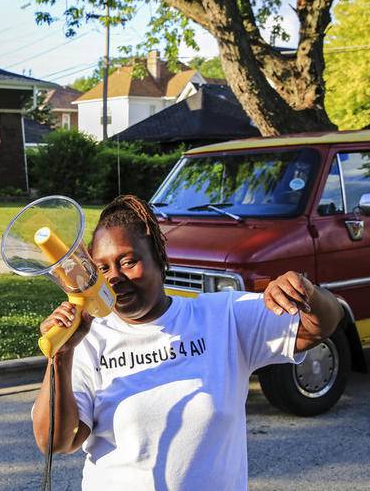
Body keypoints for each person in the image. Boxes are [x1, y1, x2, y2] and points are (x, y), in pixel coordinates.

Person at [31, 195, 344, 490]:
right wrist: (60, 357)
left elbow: (320, 326)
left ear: (159, 259)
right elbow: (56, 441)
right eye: (102, 268)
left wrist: (307, 291)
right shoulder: (89, 339)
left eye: (128, 262)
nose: (114, 277)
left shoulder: (222, 317)